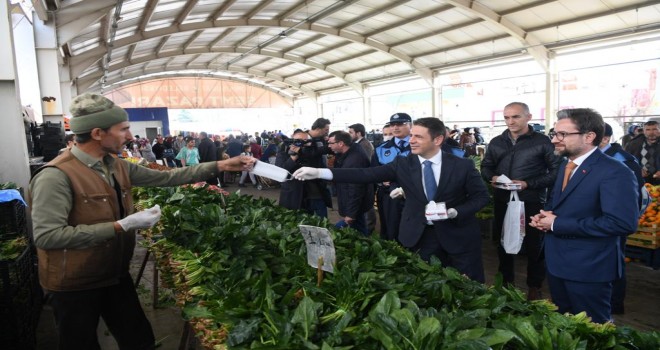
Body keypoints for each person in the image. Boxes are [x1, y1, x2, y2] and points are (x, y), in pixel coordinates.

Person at [28, 93, 254, 350]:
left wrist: (222, 165)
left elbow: (168, 178)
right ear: (97, 133)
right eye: (123, 129)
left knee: (140, 340)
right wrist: (120, 226)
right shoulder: (56, 176)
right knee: (80, 343)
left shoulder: (115, 165)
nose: (130, 136)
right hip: (74, 283)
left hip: (113, 274)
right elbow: (48, 236)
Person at [294, 117, 490, 282]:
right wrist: (320, 172)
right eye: (412, 134)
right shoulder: (403, 164)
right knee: (426, 285)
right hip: (419, 236)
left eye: (418, 136)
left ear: (438, 139)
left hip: (459, 237)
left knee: (468, 286)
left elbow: (481, 196)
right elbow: (365, 174)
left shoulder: (462, 165)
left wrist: (456, 212)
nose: (411, 140)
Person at [530, 108, 639, 324]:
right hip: (558, 263)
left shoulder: (615, 171)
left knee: (591, 330)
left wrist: (558, 224)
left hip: (589, 269)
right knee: (565, 327)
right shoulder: (567, 164)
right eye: (554, 133)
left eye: (562, 134)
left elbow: (621, 223)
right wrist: (545, 218)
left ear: (589, 137)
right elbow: (561, 203)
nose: (554, 140)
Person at [480, 102, 561, 300]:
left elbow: (556, 172)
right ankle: (505, 282)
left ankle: (534, 285)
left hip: (532, 200)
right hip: (503, 199)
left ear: (528, 117)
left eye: (515, 117)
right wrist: (493, 178)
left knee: (535, 244)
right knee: (502, 241)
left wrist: (528, 183)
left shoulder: (542, 142)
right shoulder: (497, 142)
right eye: (506, 117)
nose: (510, 121)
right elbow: (486, 166)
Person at [600, 122, 645, 314]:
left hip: (613, 222)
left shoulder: (623, 159)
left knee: (614, 262)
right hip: (598, 221)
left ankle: (614, 304)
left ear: (605, 139)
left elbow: (634, 193)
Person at [276, 119, 332, 218]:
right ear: (292, 139)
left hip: (316, 193)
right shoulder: (284, 149)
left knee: (321, 223)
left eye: (304, 142)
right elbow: (280, 171)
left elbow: (321, 166)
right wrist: (293, 157)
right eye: (297, 141)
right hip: (294, 195)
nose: (300, 144)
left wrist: (307, 151)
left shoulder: (313, 147)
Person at [372, 113, 412, 241]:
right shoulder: (381, 149)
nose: (395, 127)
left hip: (413, 195)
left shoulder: (419, 146)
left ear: (410, 125)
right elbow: (373, 171)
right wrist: (381, 181)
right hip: (388, 196)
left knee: (412, 229)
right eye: (393, 125)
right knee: (390, 228)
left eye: (400, 124)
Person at [328, 130, 373, 235]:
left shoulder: (354, 161)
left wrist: (351, 214)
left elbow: (356, 190)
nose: (329, 146)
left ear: (341, 144)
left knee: (359, 231)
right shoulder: (349, 151)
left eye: (331, 143)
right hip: (350, 202)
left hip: (355, 205)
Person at [348, 122, 376, 234]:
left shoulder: (364, 145)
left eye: (351, 132)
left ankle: (369, 229)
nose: (349, 135)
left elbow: (366, 162)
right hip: (363, 177)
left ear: (358, 133)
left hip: (366, 178)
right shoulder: (358, 144)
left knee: (367, 205)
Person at [625, 120, 660, 185]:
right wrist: (637, 170)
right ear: (643, 131)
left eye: (655, 129)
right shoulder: (633, 144)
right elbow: (626, 161)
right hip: (641, 181)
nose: (651, 132)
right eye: (648, 130)